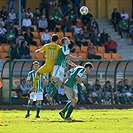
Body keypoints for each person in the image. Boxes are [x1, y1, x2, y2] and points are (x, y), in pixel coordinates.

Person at [45, 37, 81, 105]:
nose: (69, 40)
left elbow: (67, 60)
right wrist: (77, 58)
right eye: (68, 39)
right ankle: (48, 93)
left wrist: (75, 66)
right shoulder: (64, 46)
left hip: (62, 67)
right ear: (64, 41)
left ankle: (51, 96)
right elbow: (68, 56)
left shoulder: (66, 48)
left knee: (59, 83)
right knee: (56, 79)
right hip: (59, 65)